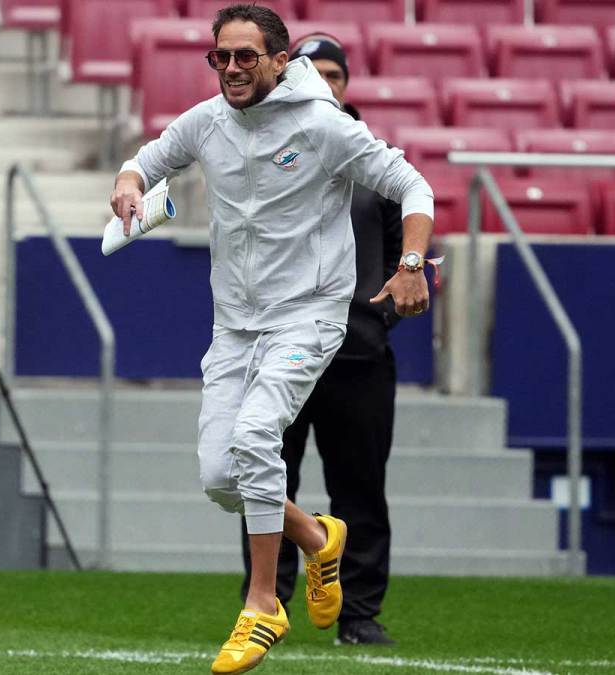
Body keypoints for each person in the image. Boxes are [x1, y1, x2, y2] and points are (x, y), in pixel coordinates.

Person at [108, 5, 435, 673]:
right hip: (235, 326)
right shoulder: (207, 121)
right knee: (221, 477)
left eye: (245, 57)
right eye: (220, 57)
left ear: (280, 61)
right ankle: (319, 535)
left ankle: (263, 603)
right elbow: (148, 160)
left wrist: (410, 264)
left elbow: (412, 184)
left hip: (309, 317)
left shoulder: (323, 125)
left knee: (255, 439)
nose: (230, 69)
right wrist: (129, 184)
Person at [237, 33, 405, 647]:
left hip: (357, 353)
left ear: (347, 83)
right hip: (279, 342)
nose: (325, 83)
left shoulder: (373, 157)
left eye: (335, 74)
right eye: (314, 72)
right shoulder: (264, 143)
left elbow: (399, 241)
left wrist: (376, 317)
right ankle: (267, 601)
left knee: (361, 487)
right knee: (265, 476)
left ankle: (358, 615)